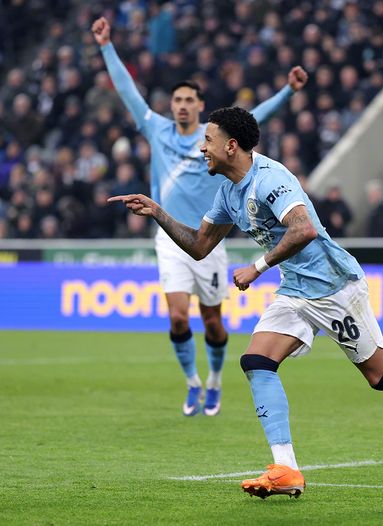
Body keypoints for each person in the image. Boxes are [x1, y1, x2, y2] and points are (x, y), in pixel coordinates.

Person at [110, 106, 383, 499]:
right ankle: (286, 468)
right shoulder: (228, 192)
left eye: (208, 141)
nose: (202, 148)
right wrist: (158, 212)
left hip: (335, 286)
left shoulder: (270, 178)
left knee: (382, 376)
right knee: (257, 362)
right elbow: (200, 245)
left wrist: (257, 268)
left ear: (231, 146)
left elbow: (304, 230)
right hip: (296, 290)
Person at [92, 17, 308, 416]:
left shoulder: (213, 141)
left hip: (207, 239)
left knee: (212, 322)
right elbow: (126, 90)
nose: (181, 104)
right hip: (169, 238)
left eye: (189, 99)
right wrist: (106, 45)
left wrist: (287, 91)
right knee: (178, 317)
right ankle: (192, 382)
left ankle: (214, 381)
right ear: (171, 104)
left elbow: (256, 117)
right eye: (177, 99)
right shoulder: (156, 130)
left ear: (198, 105)